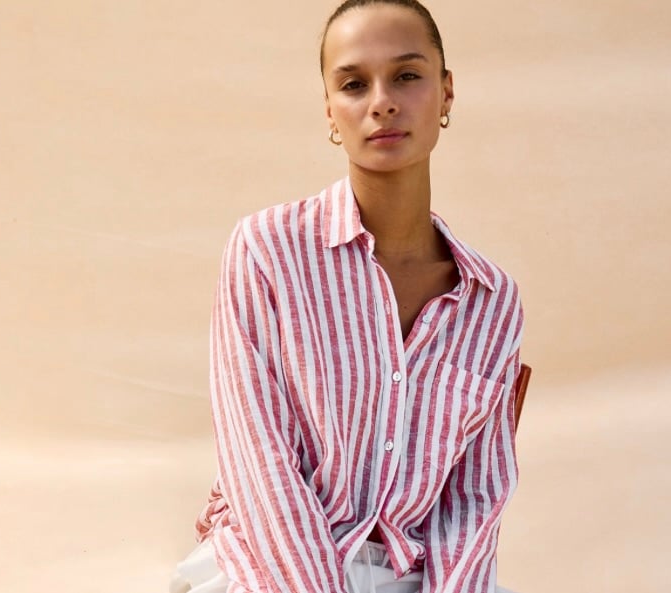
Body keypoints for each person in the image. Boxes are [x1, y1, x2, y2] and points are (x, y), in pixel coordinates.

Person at [169, 1, 524, 592]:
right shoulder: (267, 251)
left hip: (410, 577)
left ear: (446, 93)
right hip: (269, 566)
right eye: (354, 84)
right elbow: (260, 465)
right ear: (331, 110)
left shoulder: (492, 302)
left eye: (406, 75)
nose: (382, 102)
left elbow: (474, 501)